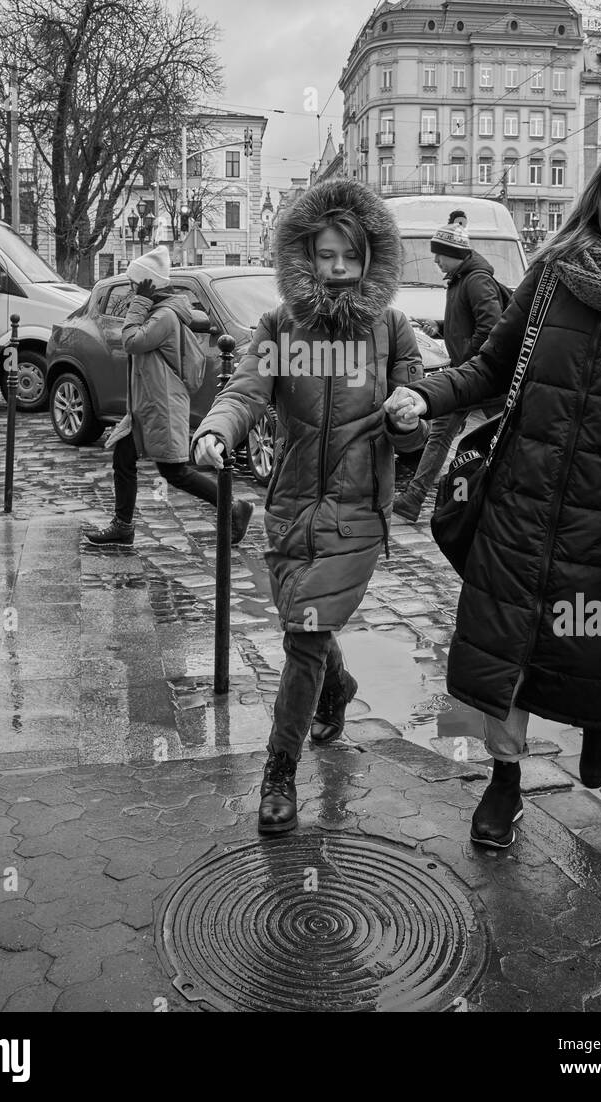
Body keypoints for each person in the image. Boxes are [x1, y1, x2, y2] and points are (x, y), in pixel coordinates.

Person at [385, 141, 601, 849]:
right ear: (595, 195)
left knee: (590, 641)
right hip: (520, 502)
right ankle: (503, 787)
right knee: (499, 656)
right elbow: (489, 367)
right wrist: (422, 391)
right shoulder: (554, 274)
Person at [192, 179, 427, 835]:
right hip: (291, 508)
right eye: (324, 256)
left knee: (302, 635)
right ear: (304, 255)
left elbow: (415, 429)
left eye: (348, 257)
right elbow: (246, 390)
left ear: (370, 258)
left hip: (356, 514)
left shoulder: (391, 331)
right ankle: (338, 687)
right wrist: (218, 429)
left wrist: (407, 418)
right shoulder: (279, 327)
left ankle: (279, 772)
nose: (336, 270)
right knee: (310, 628)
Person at [84, 246, 254, 549]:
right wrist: (141, 303)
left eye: (137, 284)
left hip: (161, 406)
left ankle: (233, 506)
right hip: (146, 405)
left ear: (149, 284)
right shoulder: (159, 311)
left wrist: (139, 302)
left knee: (174, 471)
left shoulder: (164, 316)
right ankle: (123, 527)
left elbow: (132, 340)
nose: (133, 289)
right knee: (123, 458)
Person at [393, 224, 506, 522]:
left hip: (477, 376)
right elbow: (470, 323)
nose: (435, 261)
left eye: (439, 255)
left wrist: (470, 362)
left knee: (454, 435)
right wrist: (440, 328)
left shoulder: (476, 280)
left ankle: (418, 499)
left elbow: (491, 326)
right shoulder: (460, 280)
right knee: (459, 435)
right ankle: (414, 500)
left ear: (454, 254)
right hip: (474, 375)